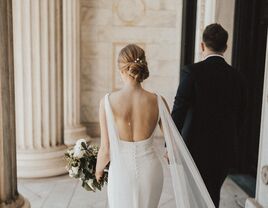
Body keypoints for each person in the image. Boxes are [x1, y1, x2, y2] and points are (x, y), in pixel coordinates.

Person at [95, 44, 215, 208]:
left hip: (120, 173)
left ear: (121, 70)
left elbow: (105, 149)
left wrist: (98, 171)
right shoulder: (158, 101)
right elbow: (172, 142)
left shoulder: (107, 102)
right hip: (150, 171)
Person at [171, 23, 247, 207]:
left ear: (202, 45)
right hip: (224, 147)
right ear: (225, 48)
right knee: (212, 194)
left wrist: (170, 144)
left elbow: (178, 110)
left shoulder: (191, 72)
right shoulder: (237, 77)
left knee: (193, 195)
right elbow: (241, 115)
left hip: (193, 148)